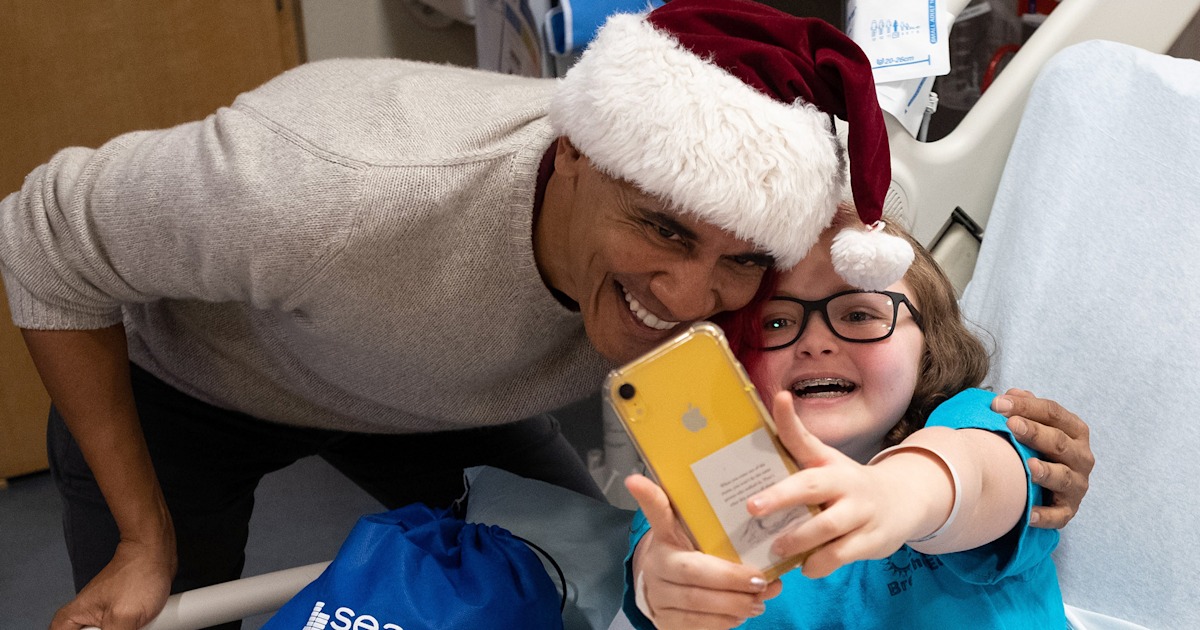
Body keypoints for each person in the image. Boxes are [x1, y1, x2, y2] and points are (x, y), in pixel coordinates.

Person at [0, 1, 1090, 629]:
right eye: (663, 231)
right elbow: (41, 235)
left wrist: (974, 471)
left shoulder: (939, 418)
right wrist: (145, 543)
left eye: (743, 270)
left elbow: (952, 456)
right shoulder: (310, 184)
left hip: (465, 396)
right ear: (573, 159)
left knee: (572, 563)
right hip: (199, 388)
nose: (690, 301)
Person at [623, 212, 1066, 629]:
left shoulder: (970, 421)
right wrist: (662, 588)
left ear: (929, 343)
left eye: (859, 315)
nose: (816, 343)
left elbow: (980, 476)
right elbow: (657, 564)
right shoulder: (688, 492)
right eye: (775, 323)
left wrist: (897, 491)